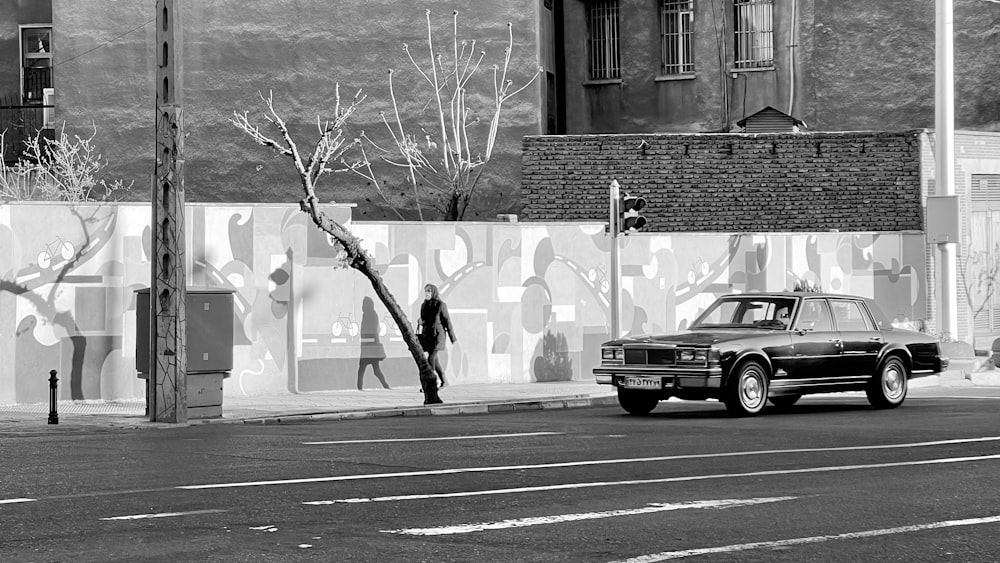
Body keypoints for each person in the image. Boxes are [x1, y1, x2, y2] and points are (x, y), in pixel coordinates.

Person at [418, 283, 456, 392]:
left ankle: (431, 384)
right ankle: (444, 380)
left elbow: (447, 321)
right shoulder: (424, 305)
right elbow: (424, 320)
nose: (427, 293)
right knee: (435, 359)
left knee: (431, 358)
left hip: (438, 336)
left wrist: (453, 338)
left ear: (433, 292)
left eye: (429, 291)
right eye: (425, 291)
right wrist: (421, 322)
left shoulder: (440, 305)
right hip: (427, 336)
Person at [357, 297, 391, 390]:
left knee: (362, 369)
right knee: (375, 370)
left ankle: (360, 388)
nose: (362, 306)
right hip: (369, 347)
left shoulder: (370, 314)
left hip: (369, 348)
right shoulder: (370, 314)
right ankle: (386, 386)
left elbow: (374, 331)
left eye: (363, 304)